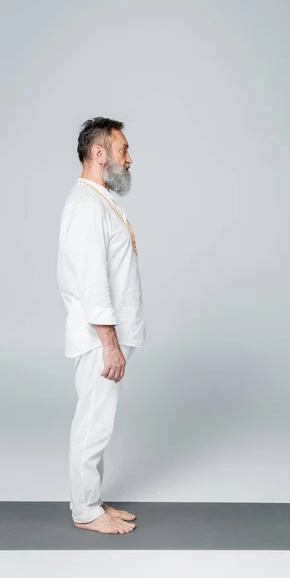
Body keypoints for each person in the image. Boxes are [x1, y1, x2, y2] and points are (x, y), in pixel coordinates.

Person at [57, 117, 146, 534]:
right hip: (98, 340)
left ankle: (91, 499)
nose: (130, 158)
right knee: (92, 424)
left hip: (106, 337)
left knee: (99, 422)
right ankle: (85, 512)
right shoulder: (87, 205)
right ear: (99, 153)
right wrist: (109, 344)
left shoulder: (100, 200)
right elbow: (92, 282)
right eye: (123, 149)